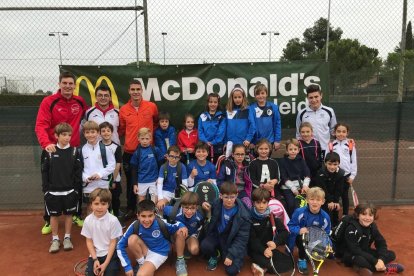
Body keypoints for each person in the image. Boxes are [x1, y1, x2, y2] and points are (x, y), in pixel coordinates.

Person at [35, 71, 87, 234]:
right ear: (59, 84)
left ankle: (76, 214)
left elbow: (87, 118)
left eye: (71, 84)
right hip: (52, 149)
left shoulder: (79, 101)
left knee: (75, 180)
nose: (68, 86)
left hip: (73, 150)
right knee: (51, 183)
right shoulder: (48, 101)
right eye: (64, 83)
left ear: (75, 86)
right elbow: (40, 125)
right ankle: (49, 218)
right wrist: (46, 144)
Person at [119, 79, 158, 219]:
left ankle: (152, 211)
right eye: (133, 89)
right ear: (129, 91)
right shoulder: (123, 109)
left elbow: (156, 123)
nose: (135, 92)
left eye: (138, 89)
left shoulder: (151, 106)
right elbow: (122, 129)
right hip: (130, 152)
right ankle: (132, 209)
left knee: (152, 182)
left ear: (142, 91)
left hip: (148, 152)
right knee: (131, 182)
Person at [117, 199, 188, 276]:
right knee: (131, 239)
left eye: (150, 216)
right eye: (143, 216)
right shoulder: (135, 225)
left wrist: (182, 226)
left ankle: (145, 267)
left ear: (155, 214)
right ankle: (142, 263)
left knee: (141, 275)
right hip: (146, 249)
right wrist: (127, 266)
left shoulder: (160, 222)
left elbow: (176, 224)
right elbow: (120, 245)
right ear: (138, 216)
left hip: (159, 252)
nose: (147, 220)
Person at [41, 123, 82, 253]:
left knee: (69, 215)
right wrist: (46, 190)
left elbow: (78, 172)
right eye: (64, 135)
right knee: (54, 216)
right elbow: (44, 172)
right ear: (56, 136)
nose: (67, 138)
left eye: (69, 135)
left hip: (70, 191)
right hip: (52, 192)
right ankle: (55, 239)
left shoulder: (75, 151)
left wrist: (76, 190)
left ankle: (67, 238)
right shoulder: (48, 152)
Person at [200, 182, 251, 275]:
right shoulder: (217, 203)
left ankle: (227, 254)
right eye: (226, 197)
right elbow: (211, 203)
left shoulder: (244, 215)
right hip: (218, 235)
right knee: (204, 245)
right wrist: (204, 203)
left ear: (237, 195)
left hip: (232, 240)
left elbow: (242, 239)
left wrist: (231, 255)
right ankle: (215, 255)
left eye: (232, 197)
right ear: (220, 196)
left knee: (231, 271)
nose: (229, 200)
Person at [343, 204, 404, 275]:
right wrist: (375, 261)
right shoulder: (351, 228)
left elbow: (381, 243)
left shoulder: (373, 226)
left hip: (366, 251)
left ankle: (370, 268)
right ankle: (385, 268)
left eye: (370, 215)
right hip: (351, 254)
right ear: (358, 215)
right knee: (360, 260)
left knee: (391, 254)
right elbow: (355, 250)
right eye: (364, 214)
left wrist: (381, 259)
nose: (367, 218)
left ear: (374, 217)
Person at [287, 187, 331, 275]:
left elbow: (326, 233)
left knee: (329, 252)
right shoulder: (299, 212)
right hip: (299, 238)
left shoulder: (325, 217)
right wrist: (299, 230)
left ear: (323, 201)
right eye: (312, 199)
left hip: (315, 239)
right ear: (307, 200)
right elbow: (290, 226)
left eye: (318, 200)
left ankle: (310, 253)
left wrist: (328, 245)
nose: (315, 202)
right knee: (302, 237)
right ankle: (301, 259)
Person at [248, 188, 291, 276]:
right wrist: (263, 250)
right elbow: (252, 240)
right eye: (258, 202)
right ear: (253, 203)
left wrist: (275, 243)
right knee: (270, 265)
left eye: (264, 202)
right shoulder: (249, 218)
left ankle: (262, 269)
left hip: (270, 248)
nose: (261, 206)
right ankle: (263, 266)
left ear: (268, 203)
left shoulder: (272, 217)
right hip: (256, 250)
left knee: (289, 263)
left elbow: (284, 232)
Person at [81, 188, 123, 276]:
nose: (100, 207)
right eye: (96, 204)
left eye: (103, 204)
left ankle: (115, 265)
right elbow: (89, 241)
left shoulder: (113, 220)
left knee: (110, 273)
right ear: (91, 205)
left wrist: (105, 264)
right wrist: (95, 260)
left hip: (110, 255)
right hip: (95, 255)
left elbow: (113, 243)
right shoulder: (88, 220)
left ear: (108, 205)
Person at [163, 191, 207, 276]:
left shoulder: (200, 215)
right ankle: (180, 261)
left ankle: (184, 248)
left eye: (192, 208)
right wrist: (163, 201)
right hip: (177, 234)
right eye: (186, 208)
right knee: (181, 232)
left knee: (194, 250)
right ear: (182, 206)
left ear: (197, 207)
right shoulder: (174, 211)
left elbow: (204, 223)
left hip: (191, 235)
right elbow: (163, 210)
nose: (189, 211)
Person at [81, 121, 116, 214]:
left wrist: (100, 174)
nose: (90, 135)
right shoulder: (81, 150)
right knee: (90, 207)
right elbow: (78, 169)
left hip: (102, 184)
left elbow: (112, 165)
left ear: (98, 133)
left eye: (93, 132)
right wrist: (85, 177)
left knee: (104, 206)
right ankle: (91, 228)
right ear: (84, 134)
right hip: (88, 186)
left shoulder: (105, 149)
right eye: (87, 132)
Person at [296, 84, 337, 153]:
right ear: (307, 98)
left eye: (316, 97)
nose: (314, 100)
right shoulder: (301, 113)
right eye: (311, 97)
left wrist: (345, 140)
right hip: (309, 150)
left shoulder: (329, 111)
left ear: (321, 96)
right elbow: (298, 134)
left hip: (326, 149)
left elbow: (334, 131)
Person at [328, 123, 357, 216]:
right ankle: (334, 216)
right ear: (334, 132)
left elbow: (353, 161)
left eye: (344, 132)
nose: (341, 134)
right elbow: (327, 159)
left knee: (345, 196)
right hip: (334, 176)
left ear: (347, 133)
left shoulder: (350, 145)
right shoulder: (331, 145)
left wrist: (352, 175)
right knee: (334, 196)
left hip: (346, 176)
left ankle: (345, 215)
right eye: (338, 131)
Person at [130, 127, 163, 203]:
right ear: (138, 139)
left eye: (147, 139)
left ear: (151, 139)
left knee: (154, 201)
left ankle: (154, 214)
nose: (145, 141)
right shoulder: (137, 153)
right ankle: (141, 214)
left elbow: (161, 165)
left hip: (154, 180)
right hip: (141, 180)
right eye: (142, 138)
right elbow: (134, 169)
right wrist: (135, 184)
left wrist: (160, 178)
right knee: (141, 201)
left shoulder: (155, 150)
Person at [279, 138, 311, 217]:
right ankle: (292, 221)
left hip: (300, 186)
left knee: (304, 204)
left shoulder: (301, 160)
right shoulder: (283, 161)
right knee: (291, 205)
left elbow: (307, 173)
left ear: (298, 150)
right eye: (290, 149)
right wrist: (293, 189)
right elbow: (284, 177)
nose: (293, 151)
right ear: (287, 150)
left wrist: (305, 185)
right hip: (288, 188)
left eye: (295, 149)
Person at [313, 152, 345, 227]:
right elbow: (323, 190)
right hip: (323, 198)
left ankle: (334, 230)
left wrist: (336, 202)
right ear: (325, 163)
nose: (332, 167)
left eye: (335, 164)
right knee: (327, 215)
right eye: (330, 164)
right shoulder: (320, 173)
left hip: (334, 198)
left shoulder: (340, 174)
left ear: (338, 164)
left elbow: (339, 190)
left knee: (335, 213)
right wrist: (330, 201)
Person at [217, 144, 253, 209]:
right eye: (237, 154)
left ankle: (245, 219)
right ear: (233, 155)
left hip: (242, 191)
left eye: (242, 154)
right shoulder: (227, 165)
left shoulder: (248, 166)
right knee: (230, 206)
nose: (240, 156)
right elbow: (220, 180)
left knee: (248, 205)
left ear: (245, 155)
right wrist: (225, 189)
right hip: (229, 191)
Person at [99, 122, 122, 221]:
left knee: (115, 198)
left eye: (108, 131)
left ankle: (116, 217)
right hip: (101, 179)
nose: (106, 133)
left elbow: (118, 164)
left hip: (114, 179)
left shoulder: (116, 147)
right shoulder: (98, 146)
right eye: (103, 131)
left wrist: (112, 180)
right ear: (99, 133)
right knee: (103, 199)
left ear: (112, 132)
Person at [249, 82, 282, 151]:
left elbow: (277, 124)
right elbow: (250, 125)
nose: (260, 96)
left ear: (266, 94)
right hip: (256, 142)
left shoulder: (274, 107)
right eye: (257, 94)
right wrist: (251, 141)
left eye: (262, 93)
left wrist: (277, 140)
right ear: (255, 96)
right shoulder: (251, 108)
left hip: (270, 141)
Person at [225, 84, 256, 154]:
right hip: (230, 143)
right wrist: (225, 141)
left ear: (243, 97)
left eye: (239, 97)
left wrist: (248, 139)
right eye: (235, 97)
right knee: (230, 162)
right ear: (232, 98)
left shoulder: (248, 109)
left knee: (242, 163)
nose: (237, 99)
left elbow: (252, 126)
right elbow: (225, 127)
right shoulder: (228, 110)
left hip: (243, 142)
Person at [156, 145, 189, 212]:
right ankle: (161, 219)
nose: (174, 159)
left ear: (179, 158)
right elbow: (159, 183)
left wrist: (183, 196)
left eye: (176, 157)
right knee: (158, 203)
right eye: (171, 156)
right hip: (166, 191)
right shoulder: (163, 167)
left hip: (178, 192)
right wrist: (160, 199)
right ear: (167, 156)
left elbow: (185, 184)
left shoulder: (182, 167)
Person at [198, 92, 226, 163]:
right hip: (205, 146)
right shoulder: (202, 116)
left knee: (217, 167)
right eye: (210, 102)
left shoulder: (221, 117)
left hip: (217, 147)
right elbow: (200, 131)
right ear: (207, 103)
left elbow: (221, 132)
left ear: (218, 103)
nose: (213, 104)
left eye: (215, 102)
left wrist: (213, 142)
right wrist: (206, 141)